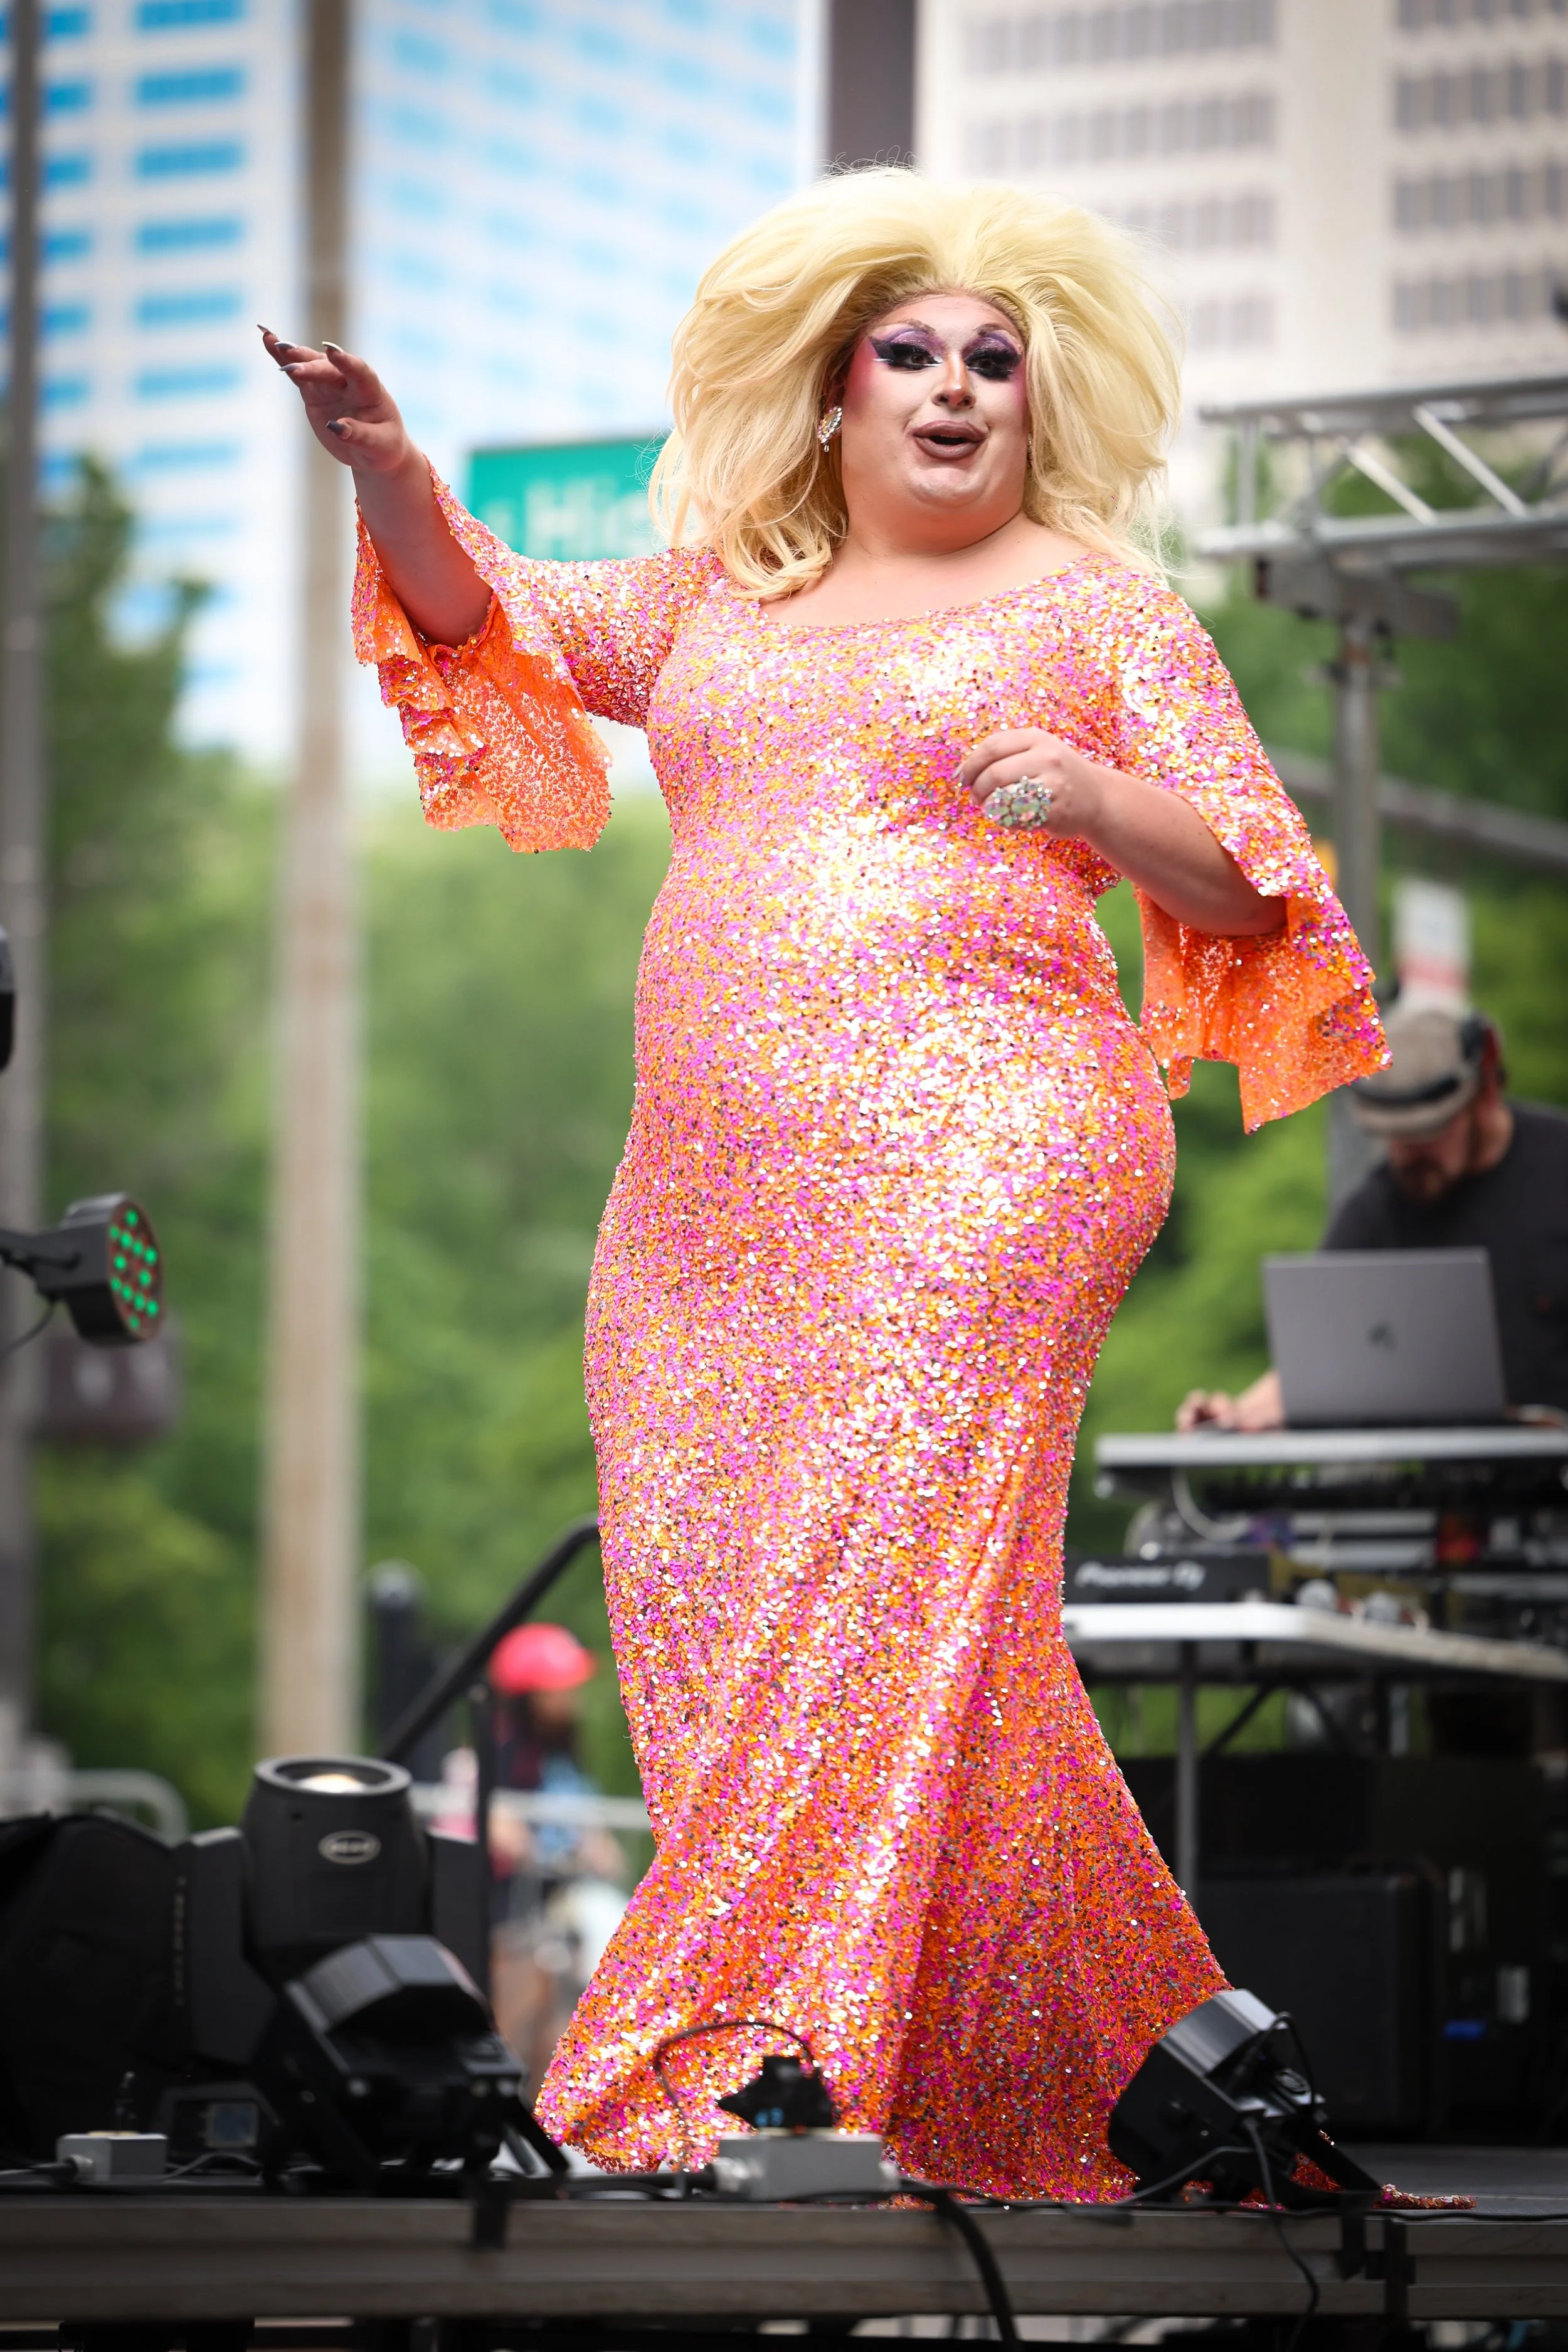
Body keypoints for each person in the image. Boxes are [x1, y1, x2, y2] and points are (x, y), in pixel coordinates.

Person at [267, 169, 1383, 2197]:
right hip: (705, 1209)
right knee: (751, 1613)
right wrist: (392, 471)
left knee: (865, 1591)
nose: (955, 388)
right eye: (912, 353)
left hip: (990, 1158)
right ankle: (1084, 2077)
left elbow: (1261, 887)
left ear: (1039, 401)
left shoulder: (1098, 607)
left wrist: (1099, 797)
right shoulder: (723, 590)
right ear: (833, 387)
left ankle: (709, 2072)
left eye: (994, 361)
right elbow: (496, 619)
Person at [1179, 999, 1568, 1431]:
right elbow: (1318, 1353)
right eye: (1392, 1135)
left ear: (1485, 1095)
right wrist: (1233, 1419)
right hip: (1459, 1471)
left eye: (1428, 1131)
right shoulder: (1380, 1209)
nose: (1408, 1154)